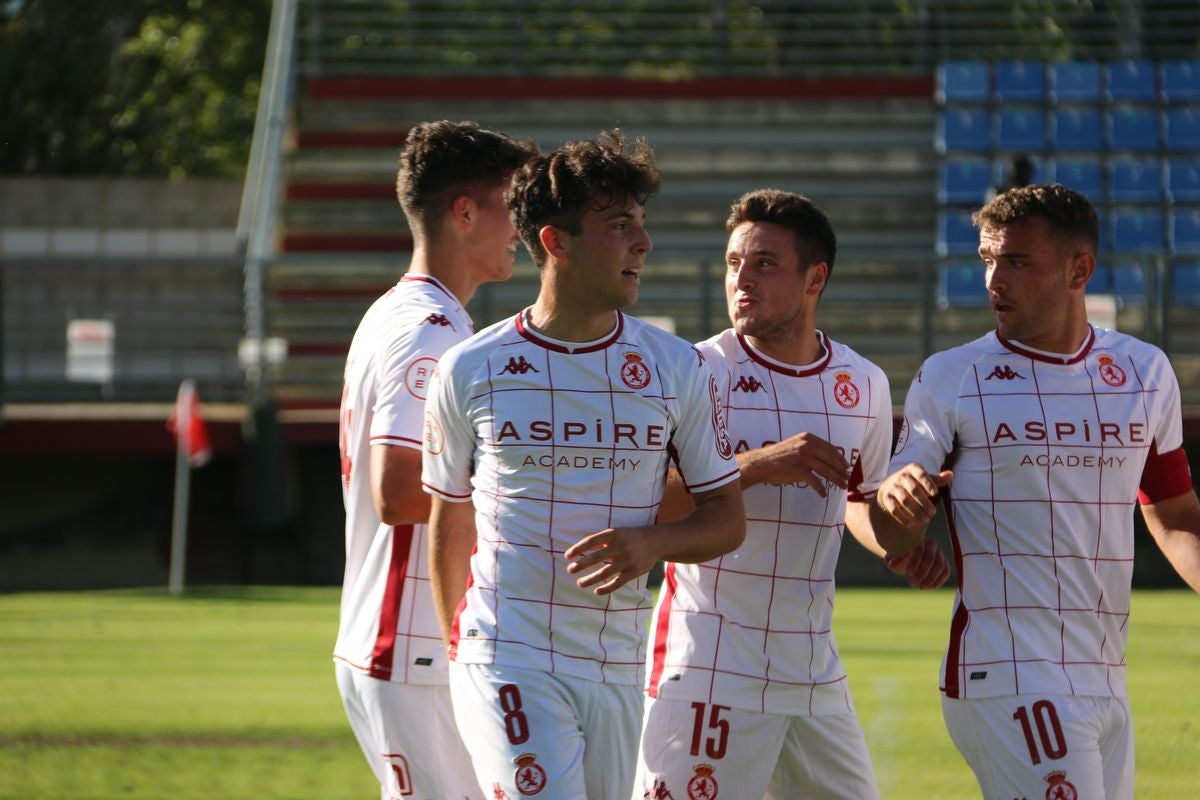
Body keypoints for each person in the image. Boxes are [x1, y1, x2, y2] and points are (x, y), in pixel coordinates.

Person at [421, 130, 747, 799]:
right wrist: (461, 649)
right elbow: (448, 516)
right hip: (506, 653)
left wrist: (653, 542)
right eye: (619, 225)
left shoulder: (675, 366)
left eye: (642, 225)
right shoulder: (469, 368)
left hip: (615, 664)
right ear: (554, 242)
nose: (643, 244)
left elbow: (727, 519)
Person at [871, 183, 1200, 800]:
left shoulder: (1145, 371)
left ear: (1080, 270)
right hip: (1005, 672)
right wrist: (901, 502)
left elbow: (1176, 513)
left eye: (1017, 262)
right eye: (988, 259)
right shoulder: (951, 375)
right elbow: (892, 519)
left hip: (1105, 675)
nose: (994, 280)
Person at [634, 189, 950, 800]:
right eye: (733, 263)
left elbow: (861, 502)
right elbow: (647, 505)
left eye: (764, 264)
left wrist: (904, 526)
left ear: (815, 278)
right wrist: (755, 465)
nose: (741, 279)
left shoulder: (863, 382)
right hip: (709, 663)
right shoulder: (691, 370)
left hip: (812, 669)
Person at [334, 120, 536, 800]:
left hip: (403, 644)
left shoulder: (405, 313)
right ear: (465, 211)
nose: (522, 227)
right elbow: (397, 489)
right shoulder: (431, 328)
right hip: (410, 645)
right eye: (513, 205)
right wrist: (531, 490)